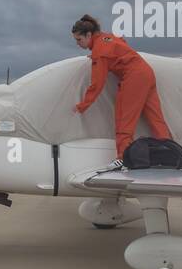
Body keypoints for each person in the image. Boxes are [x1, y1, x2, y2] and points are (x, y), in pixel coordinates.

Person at [72, 14, 173, 167]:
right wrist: (98, 56)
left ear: (88, 35)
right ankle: (169, 152)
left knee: (123, 118)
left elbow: (97, 84)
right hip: (146, 72)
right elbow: (122, 43)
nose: (77, 44)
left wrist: (83, 105)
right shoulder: (107, 38)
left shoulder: (100, 52)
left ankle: (123, 157)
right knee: (155, 118)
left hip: (134, 78)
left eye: (79, 40)